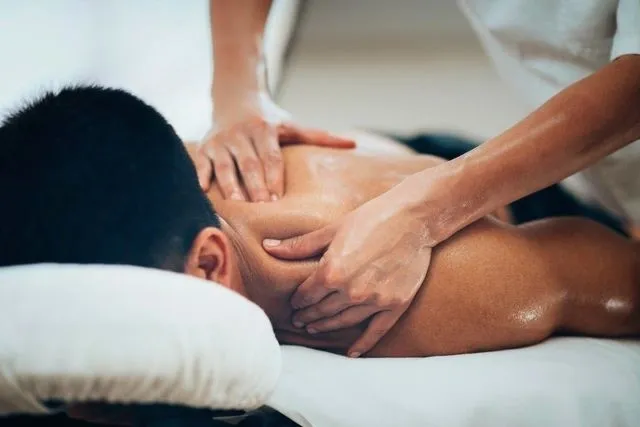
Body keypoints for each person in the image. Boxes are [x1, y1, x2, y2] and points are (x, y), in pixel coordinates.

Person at [2, 86, 637, 359]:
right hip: (373, 148)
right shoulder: (153, 180)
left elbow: (613, 277)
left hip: (517, 199)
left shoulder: (439, 297)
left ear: (211, 265)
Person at [202, 0, 640, 357]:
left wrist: (427, 211)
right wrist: (239, 92)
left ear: (209, 264)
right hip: (434, 161)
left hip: (493, 200)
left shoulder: (451, 286)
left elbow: (623, 282)